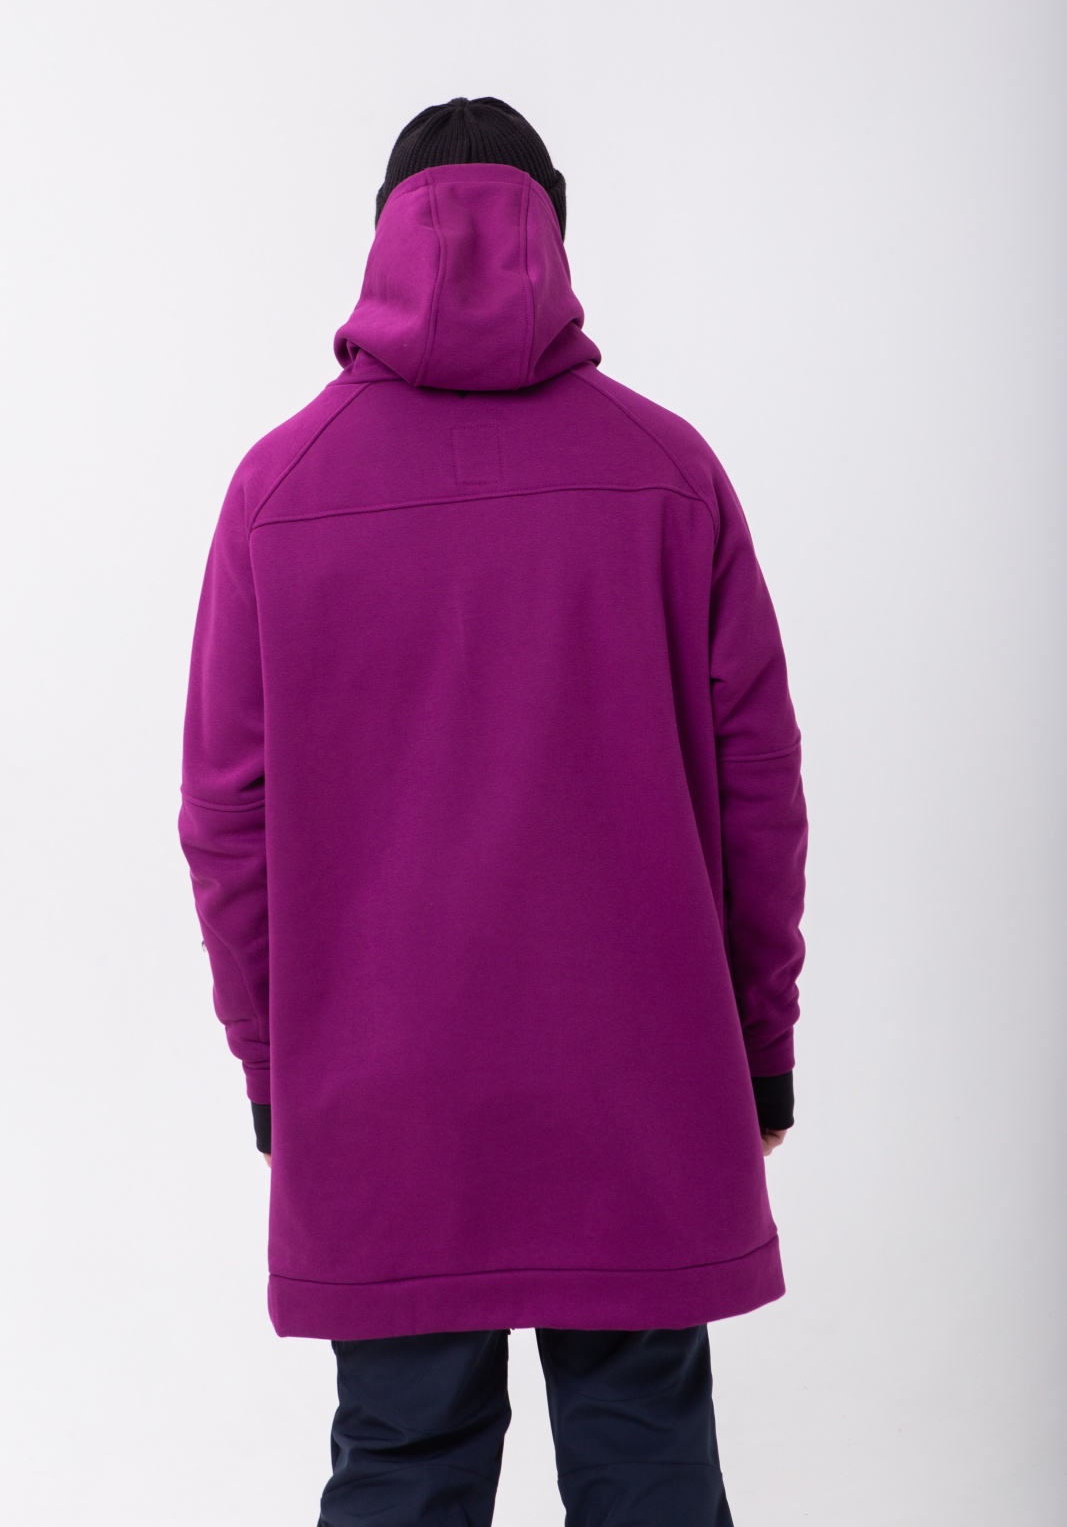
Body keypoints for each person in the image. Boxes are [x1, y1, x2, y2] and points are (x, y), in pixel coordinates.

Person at [178, 95, 807, 1527]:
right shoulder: (671, 473)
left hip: (381, 1091)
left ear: (380, 238)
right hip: (640, 1077)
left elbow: (224, 816)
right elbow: (759, 789)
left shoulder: (279, 489)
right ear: (554, 240)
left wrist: (277, 1069)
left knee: (402, 1462)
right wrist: (759, 1056)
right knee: (647, 1455)